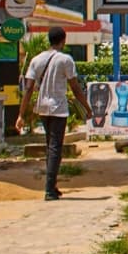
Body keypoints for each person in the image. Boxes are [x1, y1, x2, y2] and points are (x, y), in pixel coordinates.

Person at [17, 26, 91, 201]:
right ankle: (49, 189)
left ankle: (53, 185)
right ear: (63, 40)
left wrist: (21, 115)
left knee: (50, 145)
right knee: (55, 147)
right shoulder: (65, 60)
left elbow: (28, 89)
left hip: (42, 107)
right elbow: (75, 87)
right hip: (58, 108)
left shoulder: (36, 60)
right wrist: (87, 107)